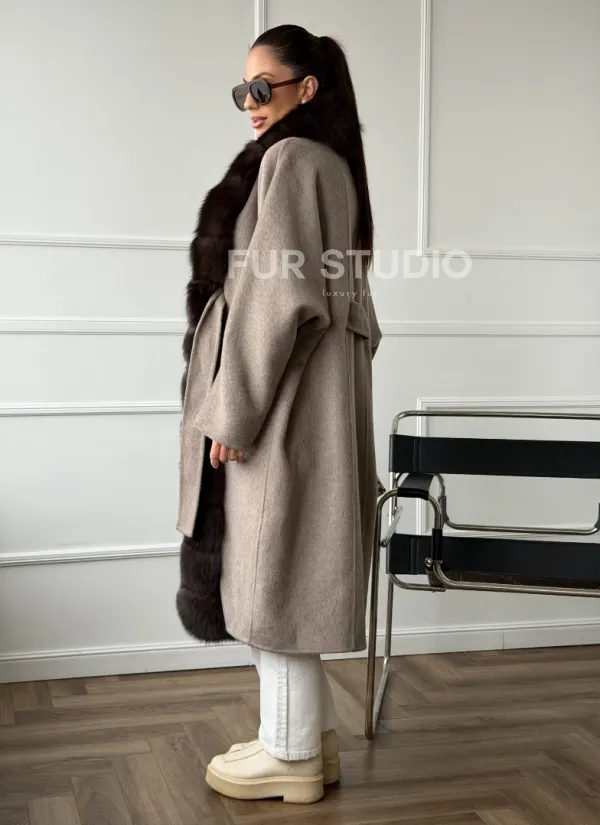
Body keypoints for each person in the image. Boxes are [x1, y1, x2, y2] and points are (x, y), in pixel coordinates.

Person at [176, 23, 382, 804]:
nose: (250, 103)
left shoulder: (294, 160)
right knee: (295, 563)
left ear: (307, 88)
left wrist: (232, 412)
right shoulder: (332, 165)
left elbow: (273, 299)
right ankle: (306, 739)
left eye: (263, 87)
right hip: (313, 396)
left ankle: (289, 753)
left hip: (285, 403)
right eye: (243, 91)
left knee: (275, 574)